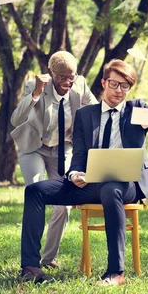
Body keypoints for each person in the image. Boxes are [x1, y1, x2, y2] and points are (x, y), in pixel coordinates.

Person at [19, 57, 148, 286]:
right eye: (114, 84)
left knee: (111, 189)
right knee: (35, 190)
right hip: (91, 184)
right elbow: (80, 155)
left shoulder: (137, 111)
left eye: (125, 86)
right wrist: (75, 174)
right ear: (104, 83)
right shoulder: (86, 115)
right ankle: (31, 268)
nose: (119, 90)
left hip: (126, 185)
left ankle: (115, 273)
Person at [11, 51, 97, 269]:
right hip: (35, 148)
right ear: (51, 73)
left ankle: (48, 259)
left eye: (72, 76)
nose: (68, 82)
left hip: (63, 148)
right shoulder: (35, 86)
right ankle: (30, 262)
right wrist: (37, 94)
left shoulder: (80, 85)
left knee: (64, 205)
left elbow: (98, 112)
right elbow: (16, 119)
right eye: (62, 77)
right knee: (37, 193)